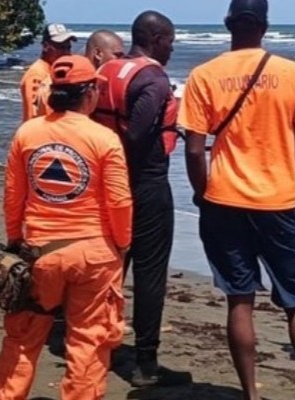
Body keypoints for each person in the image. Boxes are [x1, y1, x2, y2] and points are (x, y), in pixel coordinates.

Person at [178, 1, 295, 399]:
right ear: (264, 26)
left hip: (224, 200)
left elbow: (194, 150)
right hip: (279, 201)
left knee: (239, 301)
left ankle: (251, 394)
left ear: (228, 24)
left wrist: (201, 191)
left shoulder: (203, 75)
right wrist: (281, 177)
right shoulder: (293, 73)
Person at [0, 55, 132, 400]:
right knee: (89, 341)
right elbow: (119, 202)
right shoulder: (105, 138)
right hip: (95, 254)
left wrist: (14, 240)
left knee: (23, 338)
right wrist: (123, 243)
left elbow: (13, 196)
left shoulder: (28, 132)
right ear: (91, 93)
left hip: (40, 251)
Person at [91, 10, 180, 387]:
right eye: (170, 42)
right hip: (145, 183)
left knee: (111, 267)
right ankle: (146, 362)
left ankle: (95, 345)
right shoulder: (153, 79)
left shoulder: (104, 72)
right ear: (156, 39)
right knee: (150, 272)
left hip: (104, 182)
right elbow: (139, 136)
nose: (172, 49)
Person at [20, 23, 76, 121]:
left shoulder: (53, 70)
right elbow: (33, 114)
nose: (67, 53)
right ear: (46, 46)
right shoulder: (37, 75)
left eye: (68, 48)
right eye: (61, 47)